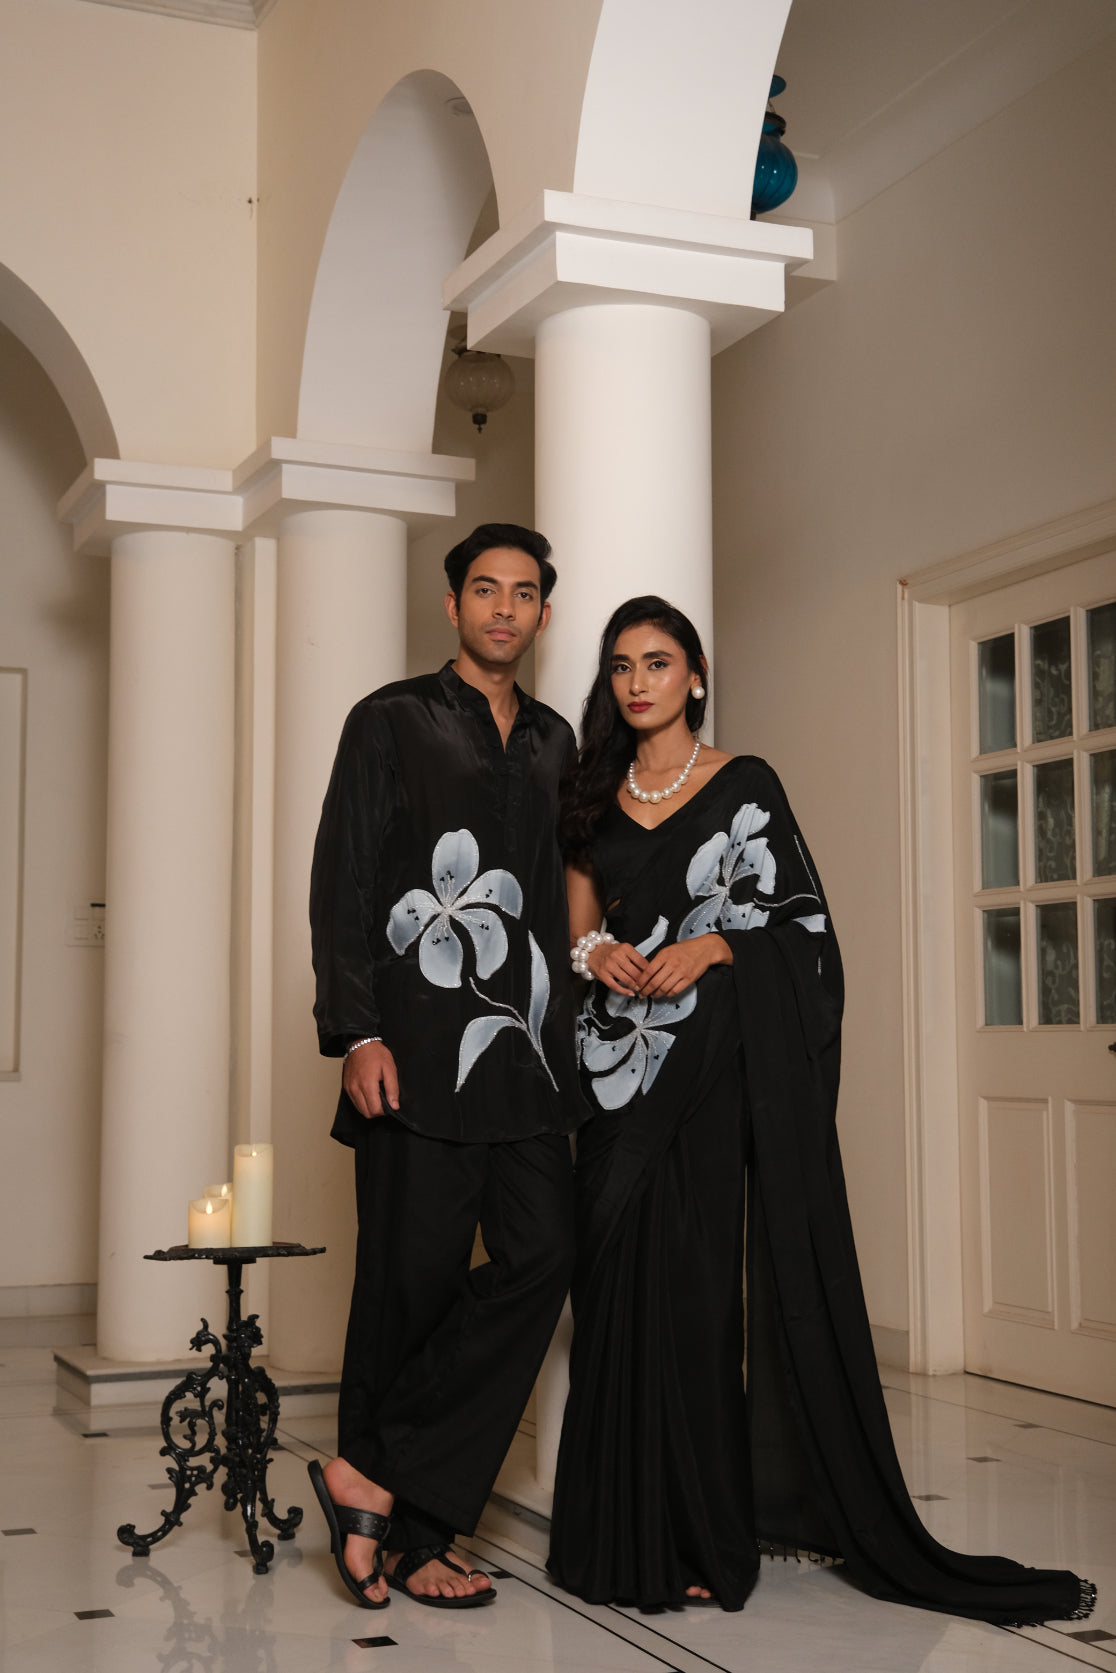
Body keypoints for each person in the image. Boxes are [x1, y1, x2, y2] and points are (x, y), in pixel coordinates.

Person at [547, 594, 1096, 1625]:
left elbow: (805, 933)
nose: (637, 682)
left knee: (698, 1301)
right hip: (616, 1071)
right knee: (614, 1295)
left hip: (711, 1073)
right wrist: (597, 953)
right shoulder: (591, 794)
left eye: (657, 662)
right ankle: (615, 1530)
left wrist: (718, 945)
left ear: (695, 676)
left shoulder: (744, 784)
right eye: (621, 665)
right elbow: (575, 928)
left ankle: (702, 1536)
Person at [307, 524, 581, 1611]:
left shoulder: (558, 741)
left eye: (524, 593)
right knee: (405, 1291)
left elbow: (565, 890)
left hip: (527, 1056)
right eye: (485, 589)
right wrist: (356, 1032)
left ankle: (370, 1474)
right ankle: (411, 1538)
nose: (504, 608)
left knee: (542, 1254)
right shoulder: (389, 720)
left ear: (544, 612)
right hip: (412, 1055)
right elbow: (342, 880)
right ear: (454, 603)